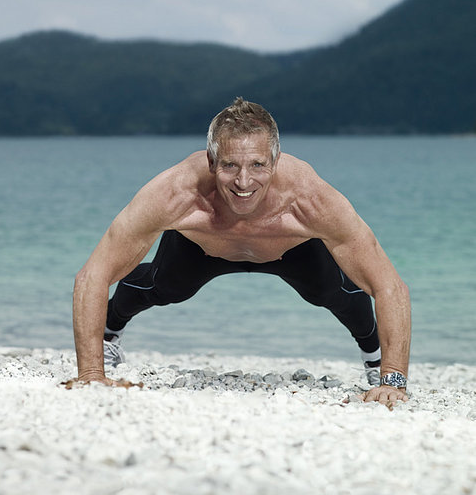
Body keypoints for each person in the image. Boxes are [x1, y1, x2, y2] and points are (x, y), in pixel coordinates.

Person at [71, 98, 411, 406]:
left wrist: (394, 380)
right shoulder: (176, 193)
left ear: (276, 161)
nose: (243, 182)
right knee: (163, 286)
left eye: (258, 166)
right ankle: (110, 333)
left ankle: (375, 358)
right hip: (203, 245)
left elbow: (388, 286)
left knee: (334, 291)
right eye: (230, 166)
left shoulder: (311, 200)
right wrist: (91, 375)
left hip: (289, 248)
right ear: (211, 161)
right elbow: (93, 275)